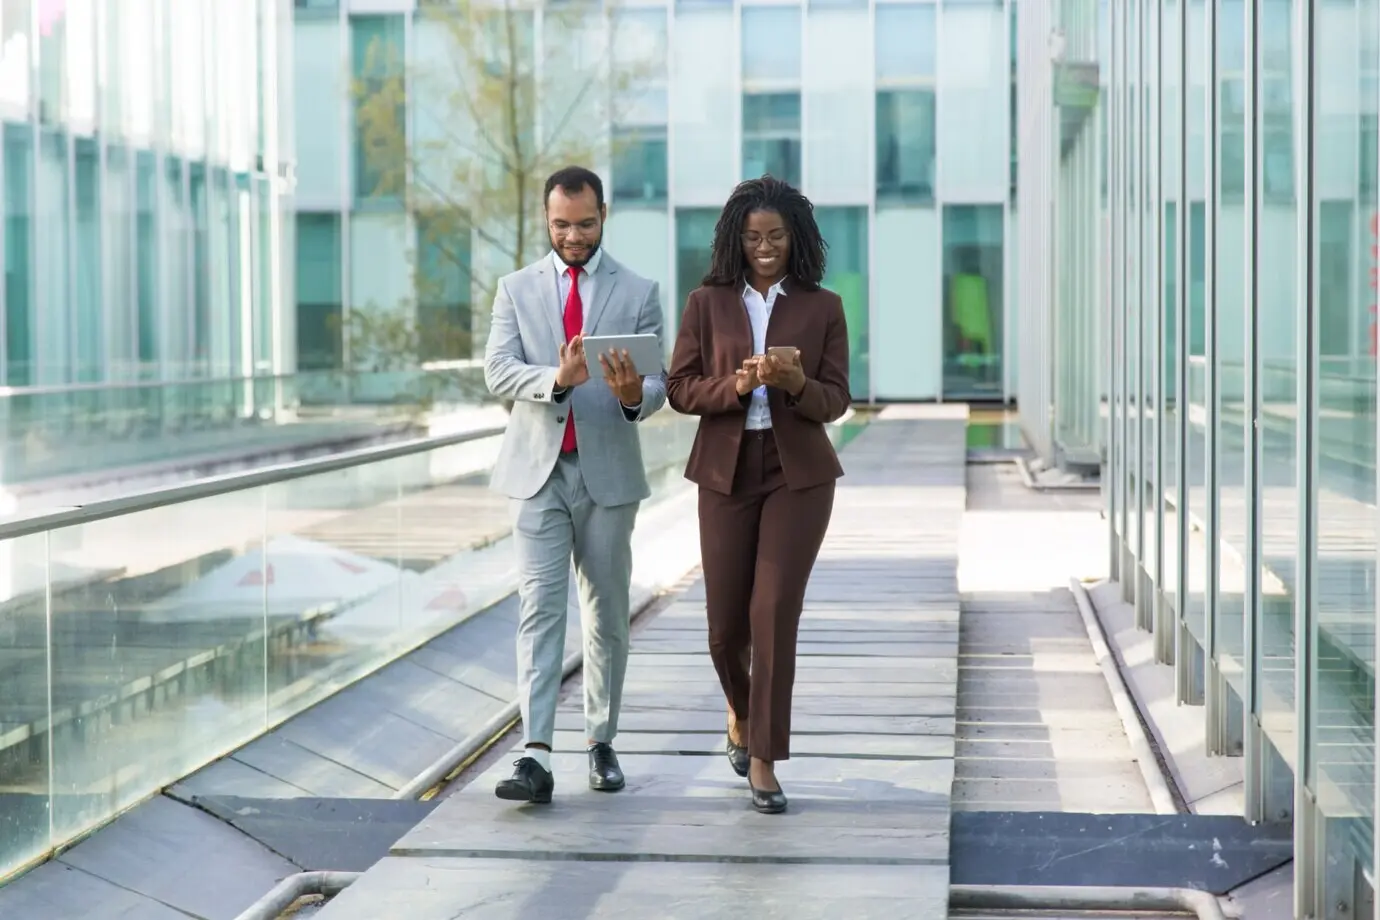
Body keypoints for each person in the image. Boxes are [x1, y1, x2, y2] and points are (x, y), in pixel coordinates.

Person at [666, 175, 851, 814]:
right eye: (753, 238)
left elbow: (837, 400)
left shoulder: (823, 306)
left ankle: (765, 761)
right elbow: (681, 388)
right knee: (724, 630)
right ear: (736, 241)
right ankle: (742, 715)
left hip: (798, 476)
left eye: (775, 236)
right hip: (725, 472)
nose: (765, 247)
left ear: (794, 237)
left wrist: (798, 382)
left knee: (771, 614)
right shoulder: (706, 302)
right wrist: (736, 389)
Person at [484, 166, 667, 804]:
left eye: (585, 224)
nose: (573, 235)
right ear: (546, 218)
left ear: (603, 215)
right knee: (539, 610)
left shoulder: (639, 290)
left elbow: (657, 386)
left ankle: (601, 741)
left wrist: (629, 396)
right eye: (561, 224)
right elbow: (498, 371)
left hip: (609, 476)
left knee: (607, 614)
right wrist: (555, 380)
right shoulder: (515, 289)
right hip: (537, 475)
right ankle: (535, 754)